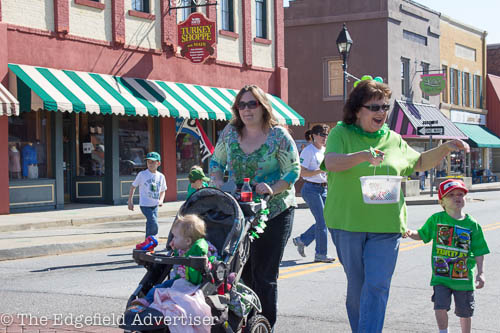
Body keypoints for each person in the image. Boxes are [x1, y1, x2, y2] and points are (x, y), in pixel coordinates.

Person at [322, 78, 470, 332]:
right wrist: (363, 156)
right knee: (358, 288)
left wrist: (445, 147)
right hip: (347, 223)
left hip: (386, 226)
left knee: (377, 285)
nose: (381, 112)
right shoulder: (340, 133)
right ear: (358, 110)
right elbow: (332, 162)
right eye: (374, 107)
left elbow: (419, 162)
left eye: (385, 107)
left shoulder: (393, 138)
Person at [209, 84, 300, 329]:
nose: (246, 109)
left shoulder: (278, 136)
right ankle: (245, 323)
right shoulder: (229, 132)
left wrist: (273, 187)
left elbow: (293, 170)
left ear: (263, 107)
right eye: (242, 104)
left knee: (265, 275)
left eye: (252, 104)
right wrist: (216, 180)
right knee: (241, 273)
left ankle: (265, 325)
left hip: (275, 210)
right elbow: (216, 161)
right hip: (240, 211)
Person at [404, 179, 489, 333]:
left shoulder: (472, 224)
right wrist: (410, 233)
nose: (457, 197)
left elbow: (479, 250)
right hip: (441, 276)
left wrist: (481, 273)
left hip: (463, 278)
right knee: (440, 306)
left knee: (465, 312)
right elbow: (422, 235)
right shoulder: (436, 219)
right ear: (441, 201)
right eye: (451, 195)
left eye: (461, 194)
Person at [130, 214, 218, 307]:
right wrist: (175, 250)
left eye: (175, 237)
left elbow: (211, 262)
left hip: (196, 284)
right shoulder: (183, 248)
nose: (173, 239)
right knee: (159, 287)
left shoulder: (201, 250)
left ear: (188, 241)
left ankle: (149, 301)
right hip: (180, 280)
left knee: (162, 289)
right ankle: (147, 301)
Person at [292, 124, 335, 263]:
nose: (325, 138)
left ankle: (302, 239)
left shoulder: (325, 150)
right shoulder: (308, 151)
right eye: (322, 134)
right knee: (322, 222)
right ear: (314, 136)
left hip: (324, 188)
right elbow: (301, 172)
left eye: (326, 135)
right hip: (310, 189)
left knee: (326, 220)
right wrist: (319, 171)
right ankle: (321, 254)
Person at [128, 152, 167, 249]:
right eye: (148, 162)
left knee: (149, 225)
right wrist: (130, 201)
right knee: (154, 223)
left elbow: (163, 191)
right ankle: (152, 241)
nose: (150, 164)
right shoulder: (142, 174)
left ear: (158, 163)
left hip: (155, 205)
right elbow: (133, 187)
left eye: (153, 162)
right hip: (145, 205)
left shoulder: (161, 176)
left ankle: (148, 246)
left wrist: (161, 200)